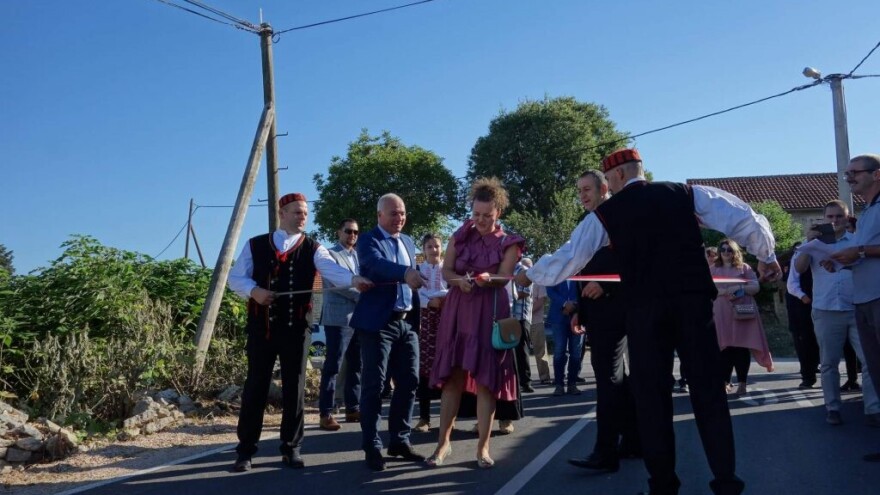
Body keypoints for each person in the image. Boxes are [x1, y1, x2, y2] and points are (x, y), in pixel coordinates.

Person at [516, 149, 782, 495]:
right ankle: (727, 482)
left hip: (645, 311)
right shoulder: (685, 193)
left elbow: (571, 255)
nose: (610, 187)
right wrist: (766, 255)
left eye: (609, 180)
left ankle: (663, 487)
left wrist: (530, 274)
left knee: (652, 400)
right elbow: (742, 217)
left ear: (618, 175)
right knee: (708, 392)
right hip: (693, 306)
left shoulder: (606, 213)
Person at [227, 193, 373, 472]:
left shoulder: (313, 248)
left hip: (296, 330)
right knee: (255, 386)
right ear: (282, 214)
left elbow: (332, 270)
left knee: (294, 388)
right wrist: (254, 291)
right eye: (297, 212)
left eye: (305, 213)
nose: (303, 217)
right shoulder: (255, 244)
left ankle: (291, 448)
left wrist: (354, 279)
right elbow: (236, 278)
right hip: (262, 328)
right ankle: (245, 451)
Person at [428, 177, 524, 469]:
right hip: (458, 310)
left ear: (498, 214)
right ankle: (442, 444)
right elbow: (446, 271)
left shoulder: (509, 242)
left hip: (488, 312)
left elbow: (504, 277)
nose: (480, 220)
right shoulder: (460, 236)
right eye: (476, 214)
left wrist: (487, 279)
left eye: (487, 215)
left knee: (486, 381)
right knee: (452, 379)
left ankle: (482, 448)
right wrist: (459, 281)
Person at [567, 169, 640, 473]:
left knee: (609, 380)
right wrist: (579, 310)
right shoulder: (589, 222)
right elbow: (582, 267)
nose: (582, 195)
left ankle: (605, 451)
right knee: (616, 379)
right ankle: (633, 441)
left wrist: (608, 286)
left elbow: (635, 259)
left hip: (617, 310)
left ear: (604, 188)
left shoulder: (618, 218)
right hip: (596, 313)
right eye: (579, 190)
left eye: (587, 189)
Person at [350, 193, 426, 472]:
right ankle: (372, 446)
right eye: (393, 213)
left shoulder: (408, 241)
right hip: (377, 325)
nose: (399, 218)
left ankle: (399, 440)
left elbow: (412, 277)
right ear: (379, 215)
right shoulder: (368, 240)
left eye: (402, 213)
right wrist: (405, 272)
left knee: (409, 381)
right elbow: (376, 265)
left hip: (406, 323)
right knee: (374, 385)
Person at [795, 199, 879, 426]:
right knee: (829, 363)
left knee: (870, 360)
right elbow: (799, 268)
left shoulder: (856, 241)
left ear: (847, 217)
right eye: (830, 217)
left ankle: (873, 408)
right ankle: (832, 407)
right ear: (824, 219)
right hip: (826, 309)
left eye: (839, 216)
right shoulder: (813, 244)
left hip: (856, 306)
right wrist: (809, 242)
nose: (834, 221)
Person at [830, 154, 880, 460]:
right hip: (862, 300)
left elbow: (866, 251)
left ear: (877, 174)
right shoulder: (867, 211)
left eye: (854, 173)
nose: (848, 178)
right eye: (847, 173)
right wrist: (842, 261)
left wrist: (858, 251)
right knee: (875, 370)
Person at [711, 239, 774, 395]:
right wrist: (725, 291)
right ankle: (725, 382)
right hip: (721, 313)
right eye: (723, 249)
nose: (726, 252)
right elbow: (707, 290)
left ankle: (742, 383)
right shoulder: (713, 269)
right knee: (724, 348)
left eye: (730, 250)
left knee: (741, 348)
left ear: (735, 252)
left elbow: (755, 287)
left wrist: (738, 287)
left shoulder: (744, 268)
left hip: (742, 312)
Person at [317, 219, 363, 431]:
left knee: (356, 365)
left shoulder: (359, 256)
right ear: (339, 232)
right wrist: (364, 296)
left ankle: (353, 408)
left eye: (355, 232)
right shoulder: (330, 255)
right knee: (333, 365)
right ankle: (326, 412)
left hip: (358, 318)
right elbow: (337, 284)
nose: (352, 235)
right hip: (337, 319)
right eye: (348, 231)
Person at [414, 233, 448, 432]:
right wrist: (429, 302)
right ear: (424, 250)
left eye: (437, 246)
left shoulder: (448, 269)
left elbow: (455, 289)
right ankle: (424, 418)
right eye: (429, 247)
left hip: (446, 318)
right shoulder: (418, 270)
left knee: (447, 366)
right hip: (425, 319)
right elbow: (414, 294)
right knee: (424, 367)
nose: (434, 250)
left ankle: (448, 417)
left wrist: (442, 299)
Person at [785, 242, 820, 389]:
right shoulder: (800, 253)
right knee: (805, 341)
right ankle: (808, 376)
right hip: (801, 305)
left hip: (821, 301)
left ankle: (851, 377)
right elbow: (791, 283)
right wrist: (803, 296)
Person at [548, 280, 582, 396]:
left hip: (578, 315)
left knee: (576, 351)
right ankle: (559, 385)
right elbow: (550, 291)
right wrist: (564, 303)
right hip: (558, 317)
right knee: (559, 351)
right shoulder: (555, 271)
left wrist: (574, 305)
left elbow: (583, 289)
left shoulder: (579, 271)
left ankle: (572, 384)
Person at [511, 259, 535, 393]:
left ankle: (525, 382)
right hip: (508, 316)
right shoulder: (504, 269)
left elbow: (525, 292)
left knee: (522, 349)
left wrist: (508, 296)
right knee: (508, 350)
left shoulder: (524, 271)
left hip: (521, 316)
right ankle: (512, 381)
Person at [530, 282, 553, 384]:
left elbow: (541, 300)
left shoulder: (538, 280)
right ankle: (523, 379)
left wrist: (527, 312)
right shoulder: (515, 279)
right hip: (519, 320)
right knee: (520, 351)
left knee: (541, 350)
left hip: (536, 321)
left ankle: (544, 376)